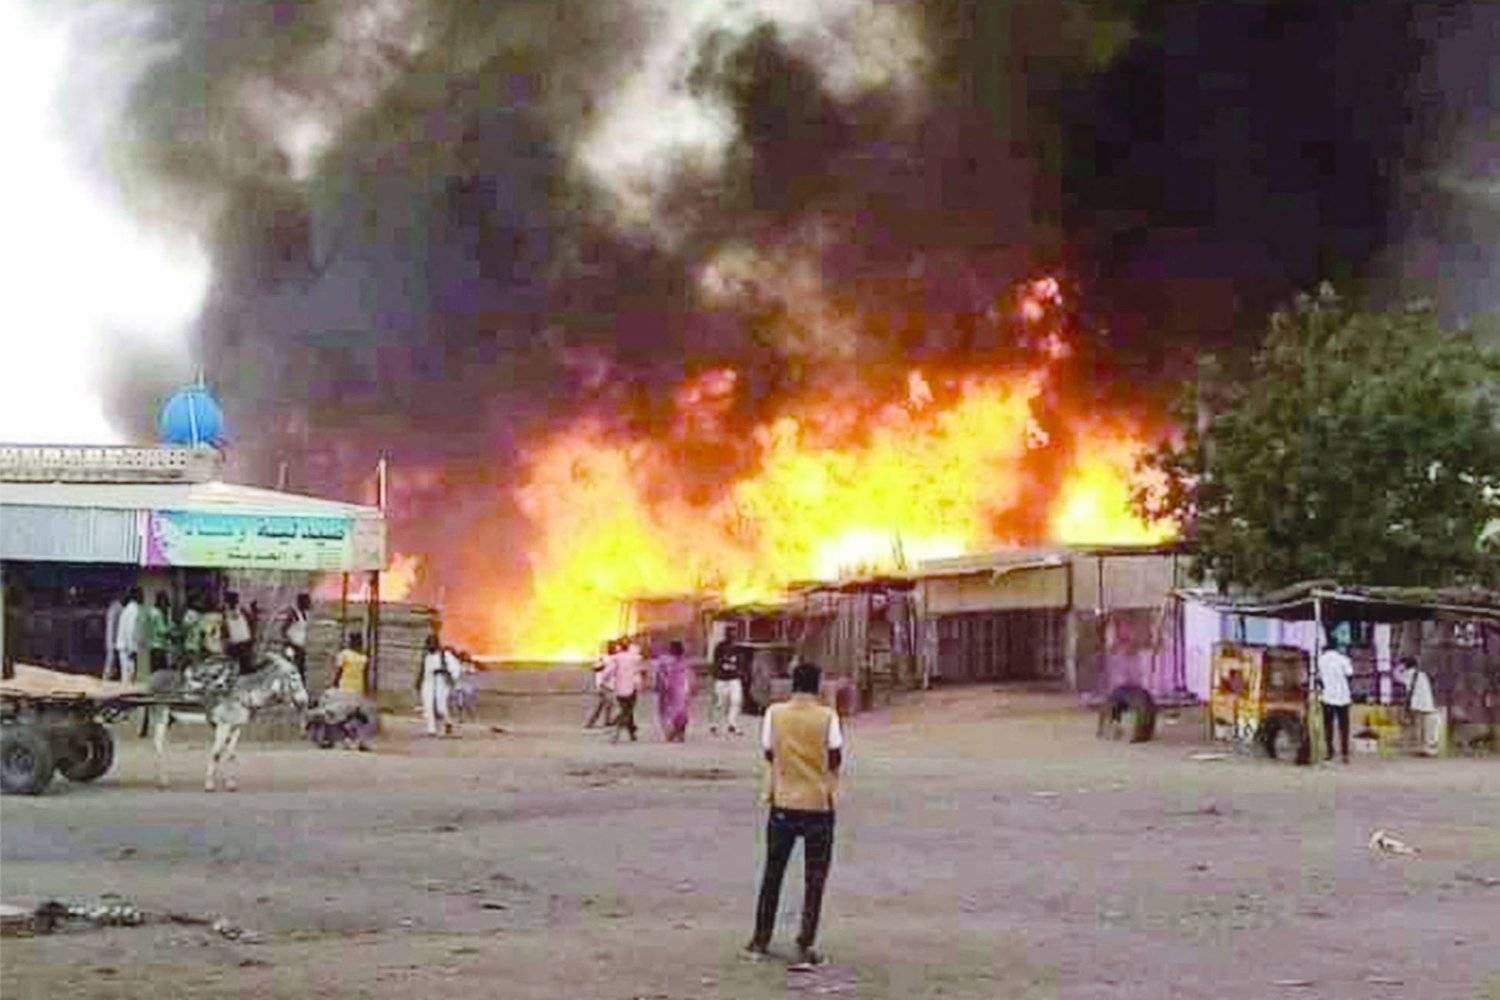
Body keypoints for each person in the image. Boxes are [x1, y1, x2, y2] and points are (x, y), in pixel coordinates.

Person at [746, 661, 844, 968]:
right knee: (815, 877)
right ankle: (805, 941)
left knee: (773, 872)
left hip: (783, 801)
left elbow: (768, 750)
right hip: (818, 803)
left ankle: (761, 938)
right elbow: (835, 755)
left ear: (792, 684)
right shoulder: (827, 716)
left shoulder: (775, 713)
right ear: (817, 685)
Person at [599, 639, 647, 743]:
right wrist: (641, 684)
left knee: (626, 710)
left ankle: (631, 732)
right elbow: (639, 671)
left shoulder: (616, 658)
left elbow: (609, 671)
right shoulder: (635, 658)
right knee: (628, 710)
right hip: (632, 688)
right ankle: (617, 726)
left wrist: (603, 680)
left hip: (619, 689)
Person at [1317, 637, 1354, 764]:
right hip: (1343, 697)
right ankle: (1345, 753)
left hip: (1327, 697)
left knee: (1328, 726)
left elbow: (1319, 678)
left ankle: (1329, 751)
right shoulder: (1344, 659)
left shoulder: (1321, 660)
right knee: (1344, 726)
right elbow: (1350, 675)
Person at [1398, 655, 1441, 757]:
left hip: (1416, 704)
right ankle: (1427, 749)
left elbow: (1396, 675)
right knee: (1428, 728)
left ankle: (1421, 747)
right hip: (1427, 704)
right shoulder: (1422, 674)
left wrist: (1399, 668)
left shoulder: (1407, 674)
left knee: (1419, 727)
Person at [654, 640, 694, 742]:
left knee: (673, 712)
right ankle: (677, 732)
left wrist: (659, 686)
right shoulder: (680, 662)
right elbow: (688, 676)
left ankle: (675, 732)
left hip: (673, 689)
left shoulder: (667, 661)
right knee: (680, 711)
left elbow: (660, 675)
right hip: (678, 689)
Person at [710, 625, 746, 736]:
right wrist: (717, 673)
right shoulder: (720, 647)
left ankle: (732, 724)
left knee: (736, 701)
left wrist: (740, 672)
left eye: (734, 632)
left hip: (734, 678)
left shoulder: (738, 648)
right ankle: (715, 724)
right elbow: (715, 662)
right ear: (726, 634)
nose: (733, 635)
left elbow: (741, 662)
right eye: (730, 632)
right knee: (720, 703)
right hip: (722, 679)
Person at [417, 635, 455, 737]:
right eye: (429, 644)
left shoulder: (445, 655)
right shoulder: (426, 655)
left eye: (433, 643)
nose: (431, 646)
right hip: (428, 681)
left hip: (440, 682)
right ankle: (431, 729)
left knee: (440, 707)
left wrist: (441, 671)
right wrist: (418, 682)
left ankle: (448, 722)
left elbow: (453, 669)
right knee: (428, 705)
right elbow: (422, 669)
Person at [585, 640, 620, 729]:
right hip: (604, 685)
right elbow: (597, 669)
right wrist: (603, 680)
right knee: (608, 703)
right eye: (614, 647)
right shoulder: (607, 659)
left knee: (603, 704)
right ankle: (601, 721)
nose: (616, 649)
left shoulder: (608, 658)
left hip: (606, 685)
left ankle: (593, 722)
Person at [114, 588, 143, 685]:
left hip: (123, 645)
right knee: (129, 675)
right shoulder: (133, 610)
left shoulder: (127, 609)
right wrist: (132, 648)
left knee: (126, 675)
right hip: (128, 647)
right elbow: (130, 630)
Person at [282, 593, 312, 680]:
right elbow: (284, 628)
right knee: (293, 669)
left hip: (301, 645)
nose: (309, 604)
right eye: (307, 602)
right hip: (293, 644)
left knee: (301, 668)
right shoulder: (294, 614)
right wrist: (288, 641)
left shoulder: (306, 614)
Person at [224, 592, 254, 675]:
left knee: (243, 652)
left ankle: (244, 668)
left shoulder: (233, 610)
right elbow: (248, 618)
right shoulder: (233, 610)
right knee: (241, 653)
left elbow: (247, 618)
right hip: (239, 634)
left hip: (240, 634)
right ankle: (242, 668)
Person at [103, 592, 123, 679]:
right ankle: (108, 673)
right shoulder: (118, 608)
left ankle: (109, 673)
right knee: (112, 655)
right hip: (114, 637)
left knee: (111, 655)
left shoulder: (113, 609)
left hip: (112, 636)